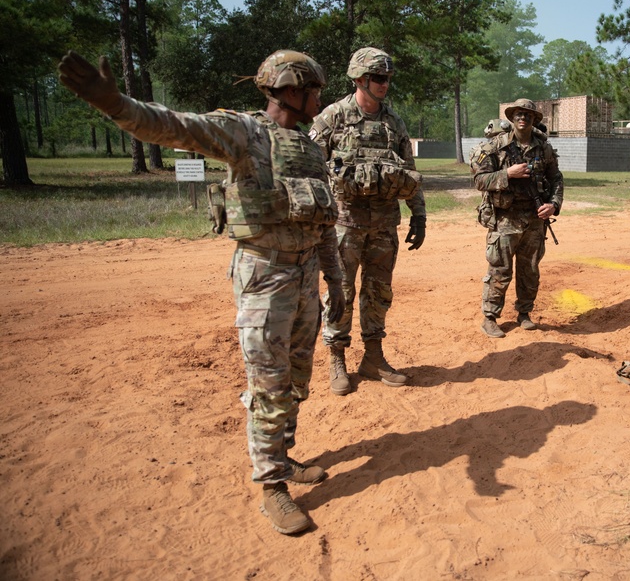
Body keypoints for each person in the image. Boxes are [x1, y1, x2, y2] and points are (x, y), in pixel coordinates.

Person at [58, 49, 347, 536]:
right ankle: (272, 485)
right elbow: (172, 126)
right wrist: (115, 104)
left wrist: (334, 280)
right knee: (269, 384)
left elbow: (321, 220)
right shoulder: (243, 132)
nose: (320, 97)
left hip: (304, 277)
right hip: (264, 278)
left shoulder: (309, 145)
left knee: (296, 379)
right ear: (292, 89)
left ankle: (284, 455)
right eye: (315, 88)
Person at [310, 47, 426, 394]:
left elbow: (409, 171)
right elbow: (309, 169)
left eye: (388, 78)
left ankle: (373, 357)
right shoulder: (332, 118)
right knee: (340, 293)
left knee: (378, 293)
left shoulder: (394, 123)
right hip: (343, 226)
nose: (384, 84)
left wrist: (418, 213)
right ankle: (337, 360)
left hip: (384, 225)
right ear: (359, 79)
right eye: (378, 78)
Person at [472, 98, 564, 338]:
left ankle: (524, 313)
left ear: (534, 119)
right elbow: (479, 180)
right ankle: (490, 317)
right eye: (519, 114)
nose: (523, 118)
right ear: (512, 118)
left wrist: (553, 205)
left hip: (534, 219)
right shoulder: (495, 146)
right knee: (500, 269)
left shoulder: (544, 148)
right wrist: (507, 174)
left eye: (528, 115)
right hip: (505, 218)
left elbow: (556, 179)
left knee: (529, 269)